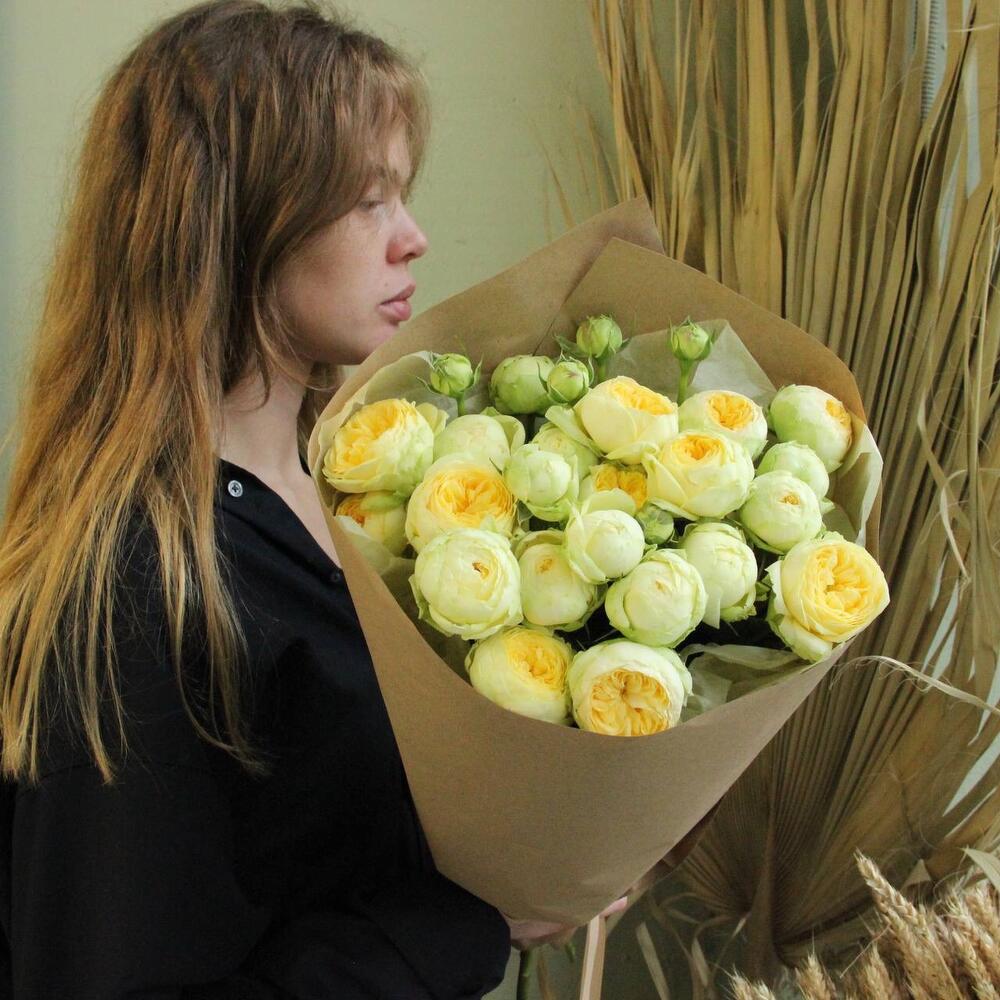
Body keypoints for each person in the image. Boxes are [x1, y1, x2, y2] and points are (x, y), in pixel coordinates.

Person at [0, 2, 628, 996]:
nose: (413, 238)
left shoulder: (368, 501)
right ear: (237, 223)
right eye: (369, 201)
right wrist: (465, 925)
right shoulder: (140, 580)